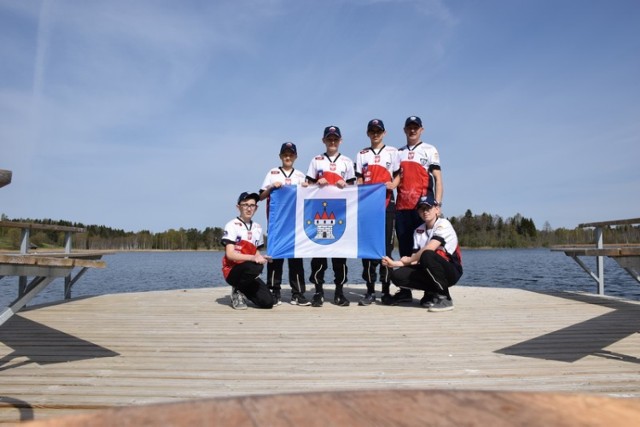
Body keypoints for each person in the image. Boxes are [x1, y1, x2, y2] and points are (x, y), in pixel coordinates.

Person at [388, 115, 443, 305]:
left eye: (416, 127)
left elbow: (438, 178)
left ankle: (429, 291)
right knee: (404, 249)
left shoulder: (430, 149)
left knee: (424, 251)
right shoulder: (398, 152)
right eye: (409, 127)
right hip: (402, 207)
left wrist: (438, 203)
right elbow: (394, 180)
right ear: (404, 130)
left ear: (421, 129)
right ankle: (405, 291)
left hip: (422, 208)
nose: (412, 130)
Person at [382, 194, 462, 312]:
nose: (425, 212)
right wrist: (394, 264)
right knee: (397, 276)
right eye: (421, 209)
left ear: (437, 210)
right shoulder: (418, 230)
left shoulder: (443, 224)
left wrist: (408, 260)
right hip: (430, 269)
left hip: (451, 270)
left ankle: (445, 298)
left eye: (428, 208)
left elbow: (430, 248)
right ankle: (432, 292)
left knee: (427, 254)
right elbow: (415, 260)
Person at [305, 125, 357, 307]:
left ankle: (339, 292)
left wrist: (347, 185)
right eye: (329, 138)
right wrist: (315, 183)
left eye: (335, 139)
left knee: (340, 255)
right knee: (318, 253)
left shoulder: (347, 162)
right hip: (319, 211)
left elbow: (354, 190)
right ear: (324, 140)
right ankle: (318, 292)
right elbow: (306, 187)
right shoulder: (316, 160)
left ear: (340, 140)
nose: (332, 142)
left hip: (341, 212)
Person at [354, 118, 400, 306]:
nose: (375, 134)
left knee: (386, 249)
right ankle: (370, 290)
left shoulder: (392, 152)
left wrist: (394, 184)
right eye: (372, 131)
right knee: (368, 249)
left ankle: (386, 291)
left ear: (384, 133)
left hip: (387, 204)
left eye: (378, 131)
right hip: (368, 207)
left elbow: (398, 175)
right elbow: (358, 180)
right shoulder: (362, 154)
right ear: (368, 133)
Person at [259, 142, 311, 306]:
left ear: (295, 156)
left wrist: (306, 188)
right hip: (277, 223)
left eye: (291, 154)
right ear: (281, 156)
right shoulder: (272, 173)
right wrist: (271, 188)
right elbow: (261, 196)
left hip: (295, 224)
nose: (288, 157)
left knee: (296, 260)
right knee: (275, 258)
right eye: (285, 154)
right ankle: (274, 292)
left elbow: (309, 198)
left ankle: (298, 294)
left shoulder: (301, 175)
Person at [221, 192, 273, 310]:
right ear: (238, 207)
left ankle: (242, 289)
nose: (249, 208)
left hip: (249, 272)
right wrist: (253, 258)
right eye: (245, 205)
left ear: (256, 208)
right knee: (254, 266)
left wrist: (262, 258)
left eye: (252, 205)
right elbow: (230, 255)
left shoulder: (258, 228)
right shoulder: (231, 225)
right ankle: (236, 290)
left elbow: (256, 253)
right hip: (232, 271)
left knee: (268, 302)